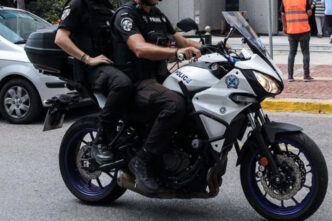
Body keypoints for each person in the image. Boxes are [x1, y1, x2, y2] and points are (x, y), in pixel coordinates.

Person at [112, 0, 202, 193]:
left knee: (194, 98)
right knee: (174, 104)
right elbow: (139, 48)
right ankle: (142, 160)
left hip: (157, 78)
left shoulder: (158, 15)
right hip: (135, 81)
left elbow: (183, 41)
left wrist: (213, 48)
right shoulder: (126, 15)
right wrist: (177, 53)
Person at [55, 0, 133, 164]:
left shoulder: (107, 6)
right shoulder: (78, 4)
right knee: (122, 84)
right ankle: (101, 140)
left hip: (110, 64)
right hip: (91, 69)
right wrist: (87, 59)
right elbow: (60, 38)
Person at [281, 0, 314, 82]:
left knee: (292, 52)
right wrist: (310, 9)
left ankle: (290, 76)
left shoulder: (285, 1)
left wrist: (285, 27)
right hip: (304, 30)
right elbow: (309, 13)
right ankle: (306, 75)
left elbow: (282, 14)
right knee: (305, 52)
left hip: (291, 30)